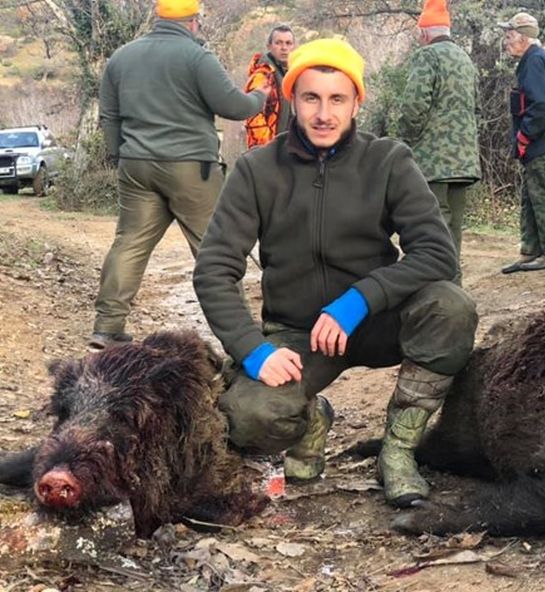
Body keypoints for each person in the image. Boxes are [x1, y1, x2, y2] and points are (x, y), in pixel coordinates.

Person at [193, 38, 478, 508]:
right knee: (245, 417)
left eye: (337, 99)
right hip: (299, 333)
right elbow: (213, 271)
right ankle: (311, 418)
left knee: (451, 307)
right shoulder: (256, 170)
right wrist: (253, 351)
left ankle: (398, 450)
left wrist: (359, 300)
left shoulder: (388, 160)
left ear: (355, 103)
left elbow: (437, 253)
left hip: (378, 320)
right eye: (311, 98)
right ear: (292, 99)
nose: (324, 114)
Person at [90, 0, 270, 350]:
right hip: (190, 167)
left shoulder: (121, 57)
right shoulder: (196, 57)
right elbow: (234, 106)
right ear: (193, 21)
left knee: (129, 243)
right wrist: (259, 97)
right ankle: (242, 335)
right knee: (215, 248)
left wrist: (120, 155)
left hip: (136, 164)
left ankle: (107, 327)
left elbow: (109, 116)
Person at [397, 0, 481, 284]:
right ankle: (452, 284)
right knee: (453, 225)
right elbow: (477, 107)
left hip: (433, 161)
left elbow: (413, 107)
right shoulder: (465, 59)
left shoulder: (427, 56)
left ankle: (434, 284)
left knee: (433, 224)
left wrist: (405, 142)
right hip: (465, 160)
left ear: (424, 33)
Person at [498, 12, 545, 274]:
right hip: (542, 142)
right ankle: (531, 251)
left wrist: (524, 136)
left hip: (542, 143)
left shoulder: (535, 61)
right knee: (531, 197)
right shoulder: (535, 60)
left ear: (524, 38)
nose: (506, 42)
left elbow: (542, 105)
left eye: (509, 36)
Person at [244, 24, 297, 149]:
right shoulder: (262, 76)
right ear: (269, 46)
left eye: (288, 43)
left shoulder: (293, 75)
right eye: (278, 43)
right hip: (268, 150)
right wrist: (268, 148)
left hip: (289, 148)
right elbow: (253, 115)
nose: (284, 48)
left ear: (293, 46)